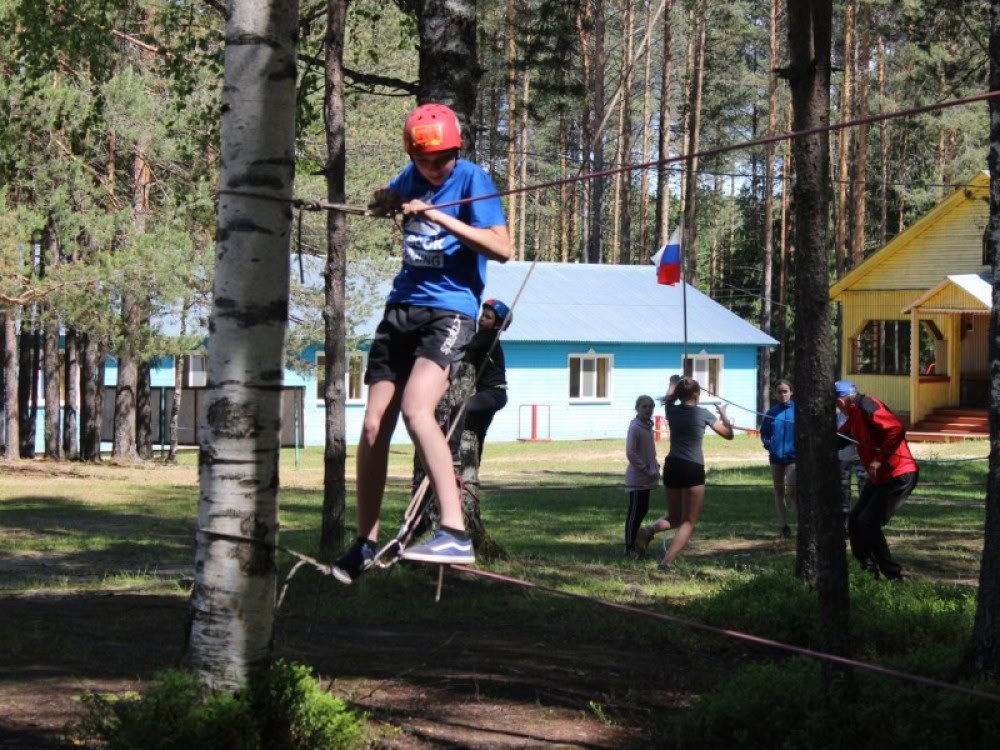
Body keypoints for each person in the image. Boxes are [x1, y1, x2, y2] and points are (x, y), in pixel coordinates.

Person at [332, 102, 511, 583]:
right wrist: (385, 199)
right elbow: (391, 198)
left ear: (457, 150)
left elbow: (502, 248)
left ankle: (454, 530)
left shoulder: (472, 180)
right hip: (401, 307)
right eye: (423, 160)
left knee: (416, 409)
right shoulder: (411, 175)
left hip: (450, 311)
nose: (433, 168)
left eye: (441, 159)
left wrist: (438, 215)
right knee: (373, 426)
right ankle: (366, 542)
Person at [634, 377, 734, 570]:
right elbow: (728, 435)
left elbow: (669, 397)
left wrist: (673, 382)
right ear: (696, 394)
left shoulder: (671, 410)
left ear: (679, 394)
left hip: (672, 465)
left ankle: (648, 531)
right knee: (688, 521)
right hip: (692, 467)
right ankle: (666, 563)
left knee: (675, 516)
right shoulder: (703, 413)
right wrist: (724, 416)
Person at [835, 379, 917, 581]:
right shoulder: (854, 414)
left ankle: (893, 576)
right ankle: (868, 569)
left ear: (841, 402)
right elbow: (842, 437)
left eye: (835, 404)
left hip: (898, 474)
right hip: (879, 478)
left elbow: (896, 429)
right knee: (855, 521)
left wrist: (879, 460)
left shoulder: (867, 405)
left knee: (868, 522)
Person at [447, 298, 511, 466]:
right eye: (483, 315)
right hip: (493, 394)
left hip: (494, 393)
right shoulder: (485, 338)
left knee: (459, 408)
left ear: (497, 325)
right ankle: (473, 469)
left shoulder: (488, 337)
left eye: (488, 317)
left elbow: (468, 346)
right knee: (478, 433)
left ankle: (452, 452)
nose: (482, 319)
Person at [624, 395, 660, 556]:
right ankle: (629, 546)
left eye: (651, 406)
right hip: (637, 478)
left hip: (647, 477)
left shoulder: (647, 427)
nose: (648, 409)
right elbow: (631, 453)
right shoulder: (635, 428)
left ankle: (637, 542)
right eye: (644, 406)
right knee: (635, 512)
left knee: (643, 510)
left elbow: (649, 451)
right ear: (637, 408)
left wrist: (655, 465)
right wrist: (645, 468)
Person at [760, 379, 796, 538]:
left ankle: (802, 524)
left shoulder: (798, 411)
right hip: (776, 458)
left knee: (793, 491)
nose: (782, 394)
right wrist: (770, 446)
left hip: (793, 457)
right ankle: (784, 526)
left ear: (791, 392)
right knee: (779, 491)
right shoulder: (772, 412)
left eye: (785, 391)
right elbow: (765, 433)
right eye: (780, 392)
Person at [837, 408, 867, 533]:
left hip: (860, 458)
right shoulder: (837, 416)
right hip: (843, 458)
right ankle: (845, 526)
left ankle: (864, 523)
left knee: (864, 490)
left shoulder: (858, 415)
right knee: (844, 492)